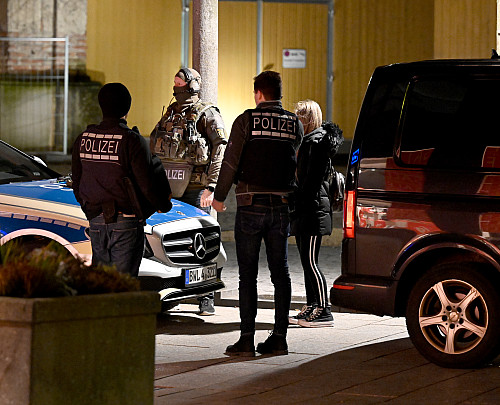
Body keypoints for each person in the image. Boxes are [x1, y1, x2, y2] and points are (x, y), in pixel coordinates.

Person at [212, 71, 303, 356]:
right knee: (281, 273)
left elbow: (230, 162)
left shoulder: (246, 120)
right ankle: (279, 337)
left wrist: (219, 197)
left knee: (248, 274)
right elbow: (295, 163)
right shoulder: (294, 123)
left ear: (258, 94)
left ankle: (246, 339)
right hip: (281, 206)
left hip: (250, 204)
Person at [72, 82, 172, 277]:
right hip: (126, 223)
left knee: (102, 282)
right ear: (127, 108)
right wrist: (163, 205)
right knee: (124, 284)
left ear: (101, 106)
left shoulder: (83, 138)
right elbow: (146, 185)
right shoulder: (131, 140)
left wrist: (90, 209)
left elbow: (77, 181)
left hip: (96, 221)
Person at [150, 67, 227, 315]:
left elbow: (220, 149)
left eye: (180, 83)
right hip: (170, 189)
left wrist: (212, 186)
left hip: (196, 189)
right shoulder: (170, 113)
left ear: (192, 86)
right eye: (175, 83)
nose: (176, 87)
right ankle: (175, 288)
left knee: (201, 242)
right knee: (173, 243)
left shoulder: (208, 113)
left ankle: (206, 296)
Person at [289, 99, 343, 327]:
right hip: (304, 209)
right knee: (306, 261)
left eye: (299, 117)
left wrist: (296, 198)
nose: (295, 121)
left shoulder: (317, 143)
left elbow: (311, 182)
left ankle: (324, 310)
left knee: (311, 261)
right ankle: (312, 306)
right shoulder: (305, 142)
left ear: (308, 119)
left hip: (313, 210)